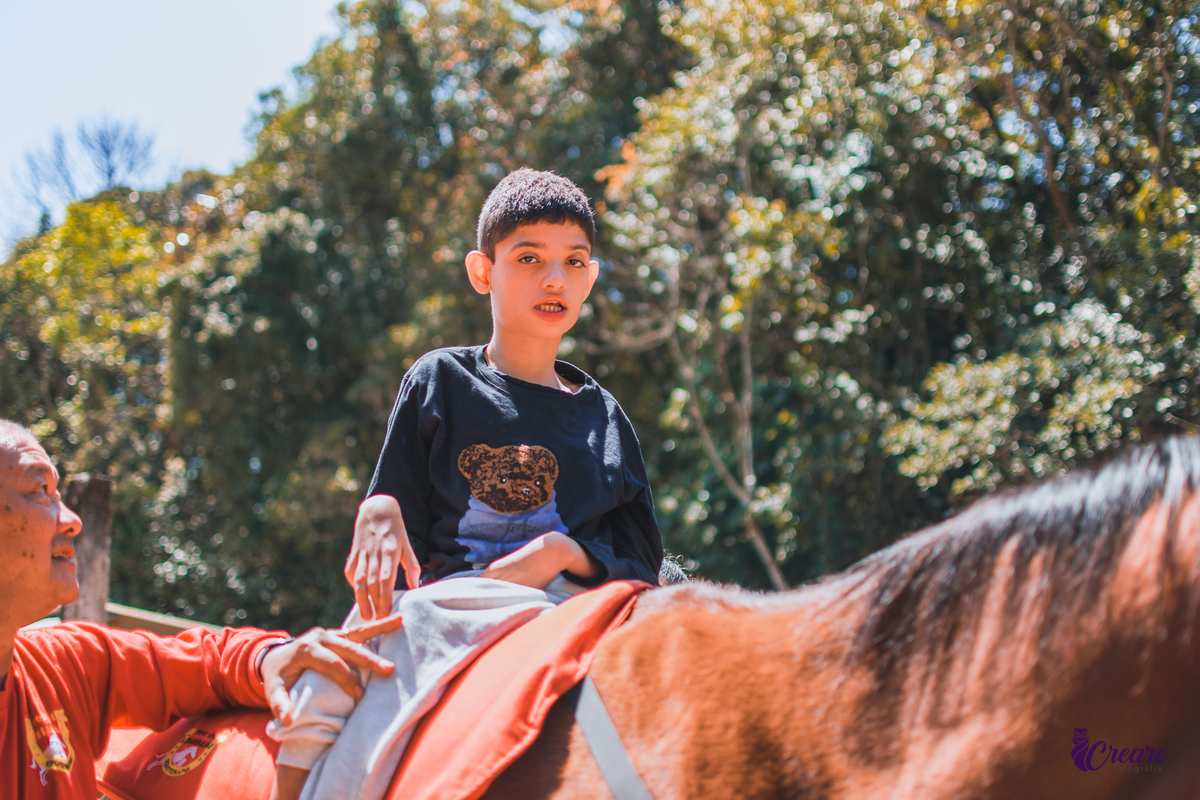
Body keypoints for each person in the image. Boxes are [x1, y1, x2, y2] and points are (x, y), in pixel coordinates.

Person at [268, 168, 664, 800]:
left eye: (573, 261)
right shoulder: (440, 380)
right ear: (483, 272)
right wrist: (376, 506)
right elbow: (394, 503)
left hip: (563, 610)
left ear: (590, 278)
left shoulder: (606, 419)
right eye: (528, 258)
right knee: (329, 677)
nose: (554, 279)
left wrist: (562, 553)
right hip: (446, 605)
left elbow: (643, 565)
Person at [0, 419, 402, 799]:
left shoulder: (64, 664)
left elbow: (205, 663)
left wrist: (270, 658)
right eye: (40, 490)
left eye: (58, 494)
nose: (72, 521)